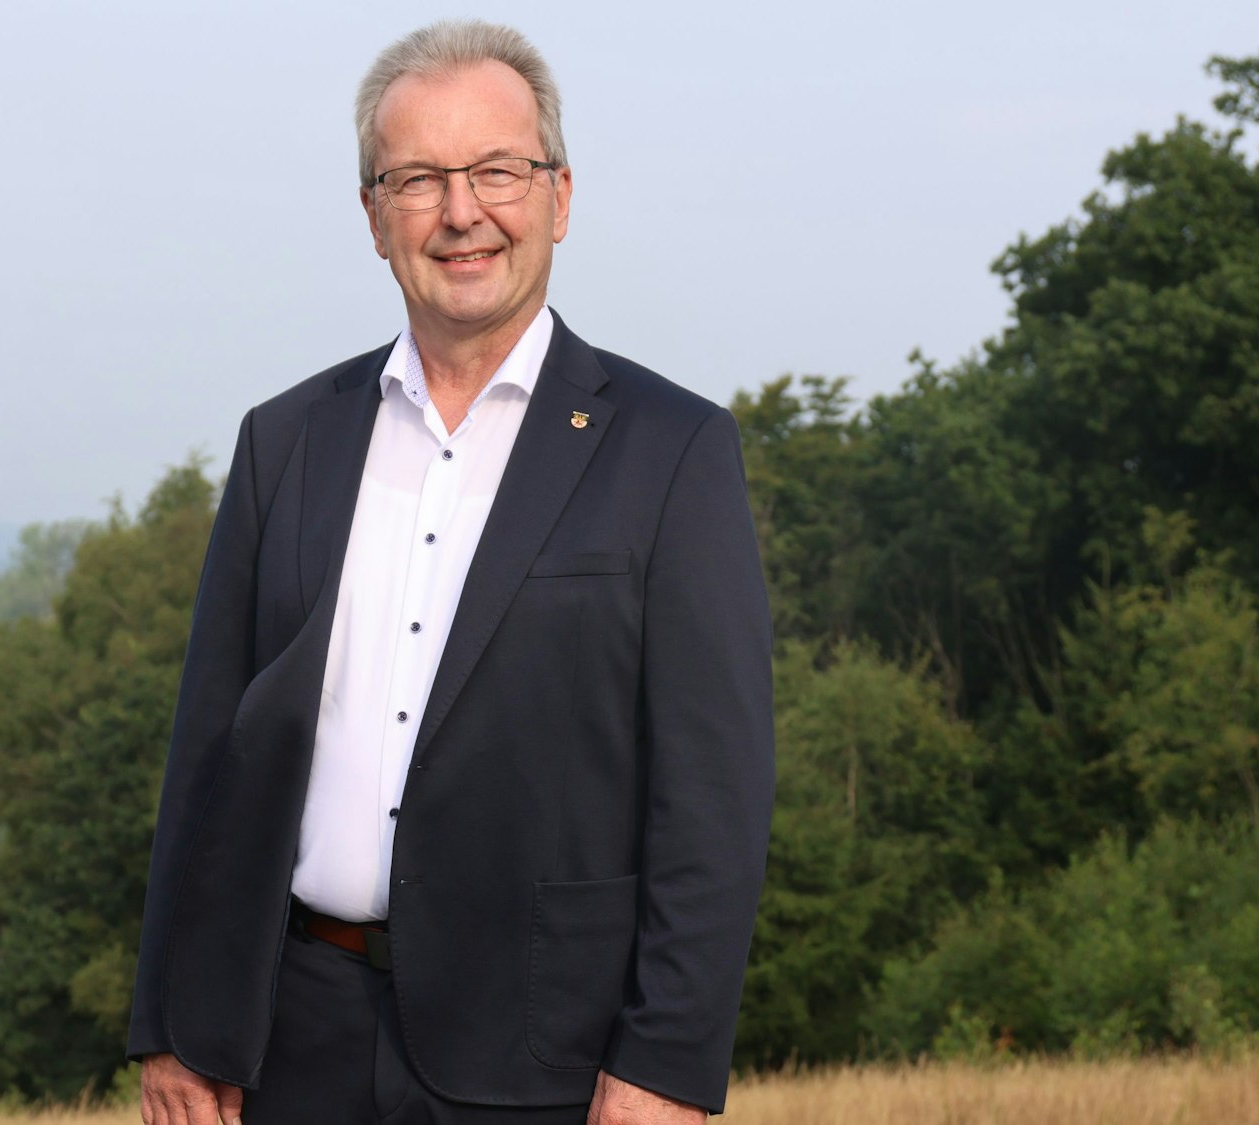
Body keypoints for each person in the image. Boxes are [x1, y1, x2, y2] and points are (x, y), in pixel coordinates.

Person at [127, 19, 774, 1125]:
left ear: (559, 198)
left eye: (495, 171)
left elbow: (710, 800)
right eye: (418, 177)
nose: (460, 210)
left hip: (546, 1065)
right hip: (287, 1047)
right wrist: (172, 1023)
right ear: (374, 215)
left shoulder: (671, 453)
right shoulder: (284, 442)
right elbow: (207, 762)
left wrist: (665, 1063)